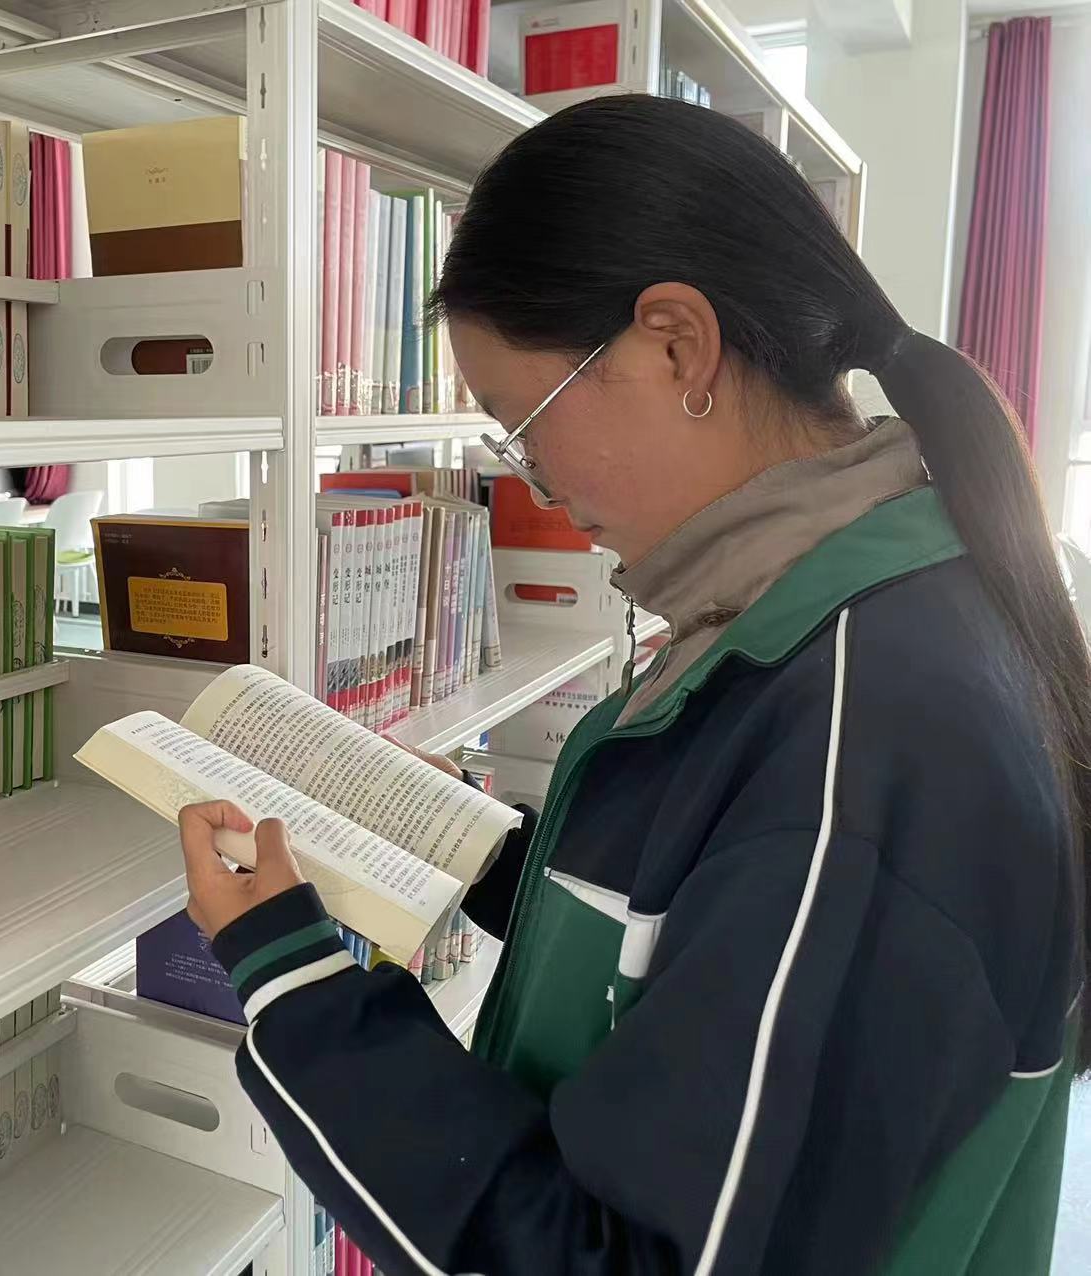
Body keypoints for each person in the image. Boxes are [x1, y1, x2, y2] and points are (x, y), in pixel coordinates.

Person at [177, 95, 1087, 1276]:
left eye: (522, 422)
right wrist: (477, 850)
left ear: (674, 346)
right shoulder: (823, 608)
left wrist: (292, 979)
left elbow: (626, 1258)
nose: (533, 482)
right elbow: (710, 932)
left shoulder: (870, 732)